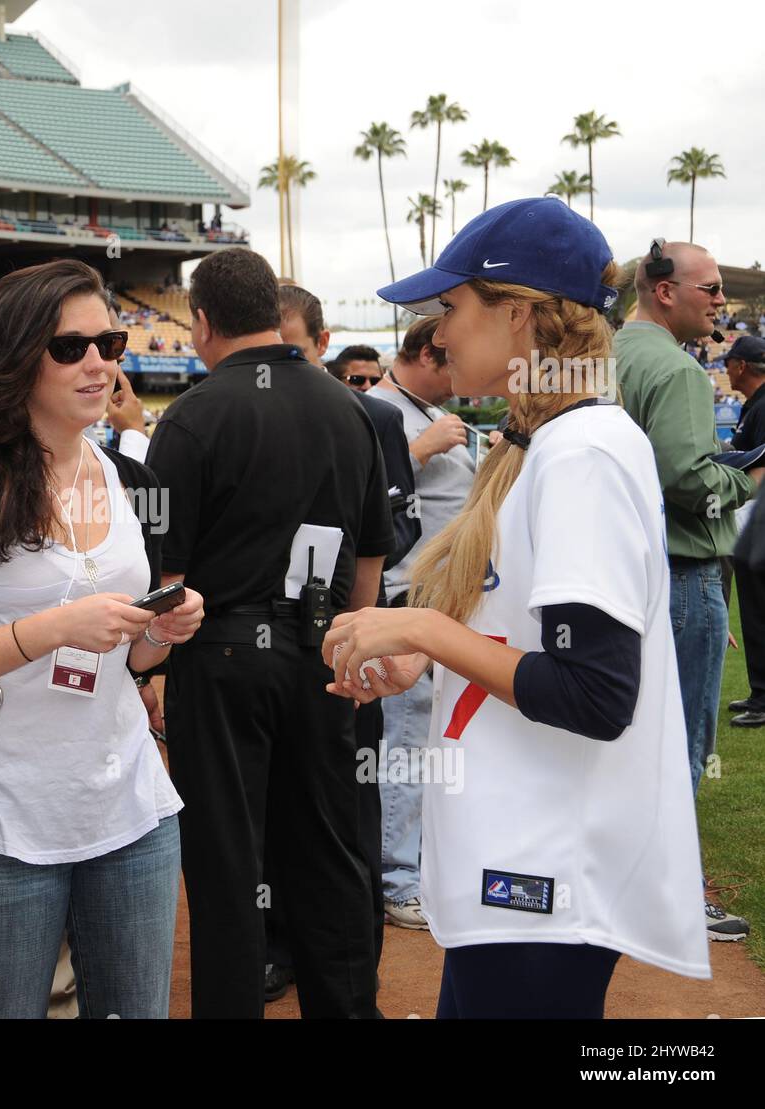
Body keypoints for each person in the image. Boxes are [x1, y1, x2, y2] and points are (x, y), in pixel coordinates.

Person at [329, 196, 711, 1018]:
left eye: (452, 307)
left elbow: (595, 693)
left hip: (548, 877)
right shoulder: (546, 442)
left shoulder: (583, 452)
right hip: (512, 866)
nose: (436, 336)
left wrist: (423, 625)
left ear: (520, 316)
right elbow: (524, 633)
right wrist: (427, 655)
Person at [0, 259, 203, 1019]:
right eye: (71, 347)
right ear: (18, 355)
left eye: (111, 341)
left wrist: (161, 632)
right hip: (1, 825)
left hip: (131, 808)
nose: (99, 362)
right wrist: (50, 629)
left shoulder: (129, 477)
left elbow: (131, 659)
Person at [147, 247, 394, 1019]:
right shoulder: (348, 407)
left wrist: (155, 672)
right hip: (325, 646)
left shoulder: (190, 416)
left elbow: (166, 576)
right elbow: (371, 556)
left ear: (204, 320)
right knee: (330, 854)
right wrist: (349, 640)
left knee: (227, 868)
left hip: (219, 653)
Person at [274, 282, 421, 994]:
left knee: (350, 800)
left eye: (291, 348)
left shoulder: (371, 419)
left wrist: (356, 620)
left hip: (345, 639)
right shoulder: (227, 415)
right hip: (264, 652)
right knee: (273, 806)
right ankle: (278, 947)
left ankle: (357, 942)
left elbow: (392, 533)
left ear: (320, 346)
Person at [615, 239, 762, 940]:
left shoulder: (611, 352)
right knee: (681, 744)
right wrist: (745, 478)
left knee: (633, 742)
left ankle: (634, 886)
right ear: (664, 290)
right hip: (679, 573)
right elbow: (689, 482)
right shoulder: (673, 368)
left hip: (628, 573)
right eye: (709, 288)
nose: (720, 302)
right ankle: (669, 896)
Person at [367, 316, 476, 930]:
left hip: (446, 602)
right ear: (430, 353)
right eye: (452, 360)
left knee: (435, 743)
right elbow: (361, 496)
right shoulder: (379, 410)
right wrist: (417, 452)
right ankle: (394, 875)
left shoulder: (421, 410)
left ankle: (417, 864)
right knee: (405, 744)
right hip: (405, 596)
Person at [722, 336, 765, 728]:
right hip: (753, 517)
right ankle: (759, 693)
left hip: (758, 518)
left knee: (757, 609)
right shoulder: (755, 406)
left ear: (741, 366)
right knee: (752, 609)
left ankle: (764, 699)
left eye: (729, 362)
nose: (725, 369)